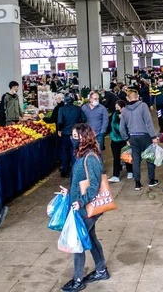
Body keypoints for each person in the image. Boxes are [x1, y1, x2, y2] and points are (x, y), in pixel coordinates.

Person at [58, 123, 109, 292]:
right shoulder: (82, 154)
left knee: (77, 242)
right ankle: (101, 270)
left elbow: (93, 186)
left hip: (87, 209)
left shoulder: (91, 158)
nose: (73, 139)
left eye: (75, 136)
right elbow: (80, 181)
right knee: (91, 238)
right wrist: (70, 193)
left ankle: (78, 280)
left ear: (84, 137)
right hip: (82, 206)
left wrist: (80, 201)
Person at [119, 90, 160, 191]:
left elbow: (121, 128)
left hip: (133, 137)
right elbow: (148, 122)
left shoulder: (124, 110)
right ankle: (151, 180)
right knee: (150, 158)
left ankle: (137, 183)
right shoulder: (143, 106)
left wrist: (126, 138)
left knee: (136, 161)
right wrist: (153, 136)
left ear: (128, 98)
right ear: (137, 97)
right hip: (145, 136)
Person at [58, 93, 87, 177]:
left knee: (65, 152)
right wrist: (78, 125)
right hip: (76, 134)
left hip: (65, 134)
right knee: (75, 152)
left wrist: (60, 130)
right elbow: (84, 119)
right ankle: (76, 172)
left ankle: (65, 171)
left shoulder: (61, 109)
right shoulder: (78, 108)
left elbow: (60, 121)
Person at [107, 100, 132, 183]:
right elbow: (111, 125)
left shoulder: (127, 115)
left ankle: (130, 171)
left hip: (125, 140)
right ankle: (116, 175)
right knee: (116, 158)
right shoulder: (114, 115)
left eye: (118, 107)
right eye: (116, 107)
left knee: (126, 155)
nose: (117, 109)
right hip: (114, 139)